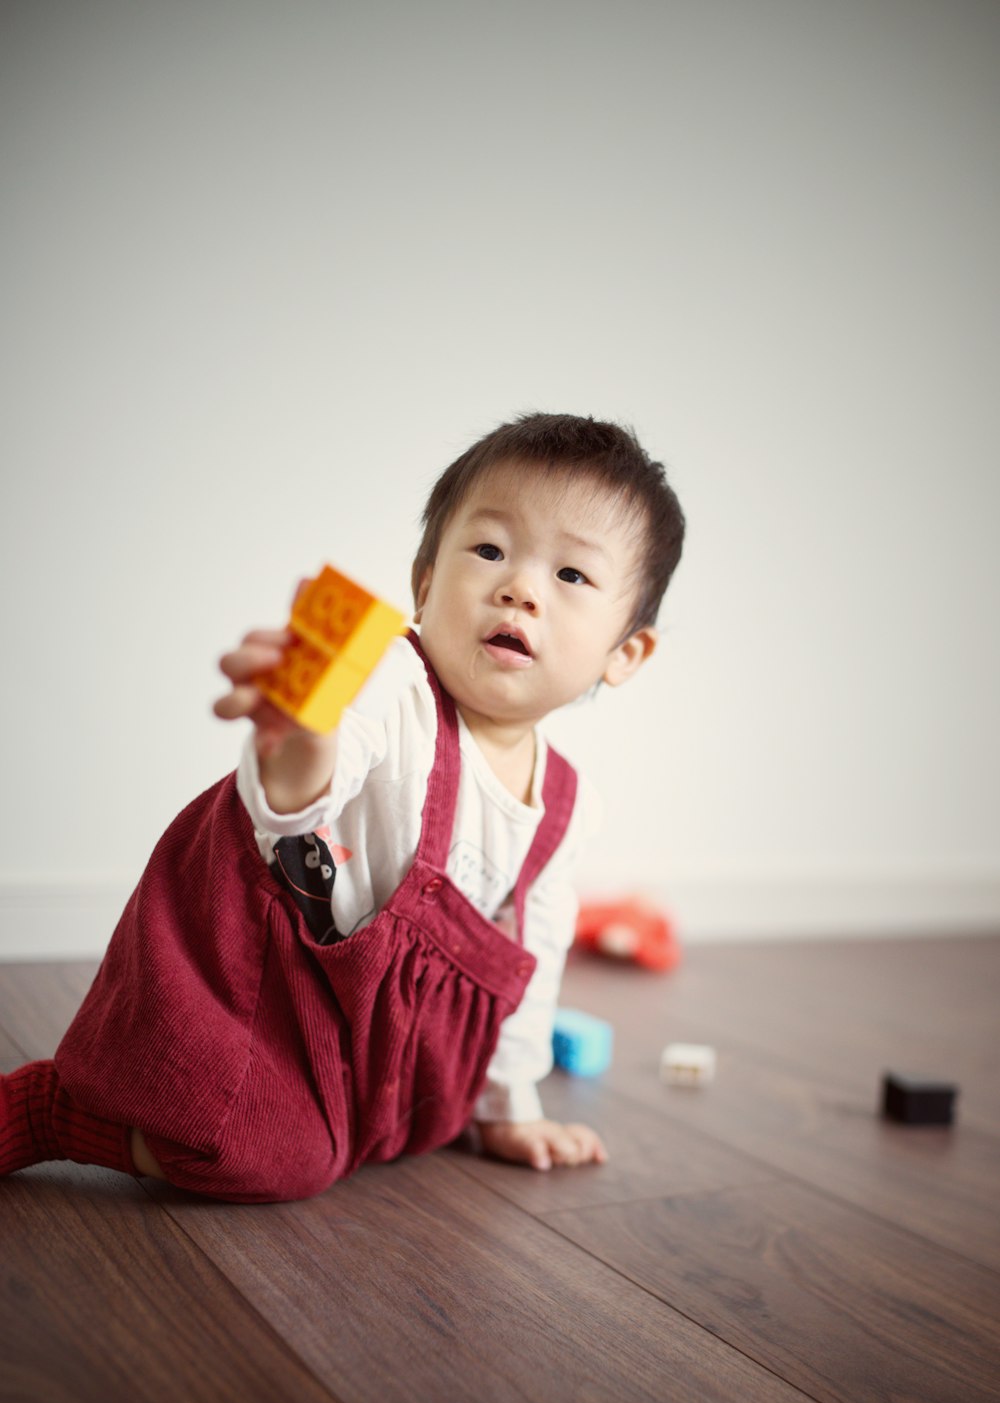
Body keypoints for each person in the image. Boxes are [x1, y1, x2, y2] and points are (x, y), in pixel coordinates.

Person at [0, 412, 685, 1202]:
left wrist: (508, 1104)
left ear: (624, 652)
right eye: (489, 550)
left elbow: (531, 966)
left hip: (365, 1017)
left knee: (414, 1125)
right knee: (254, 1149)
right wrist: (301, 735)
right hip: (261, 957)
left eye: (571, 577)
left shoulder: (566, 807)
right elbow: (296, 802)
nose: (519, 587)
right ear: (426, 583)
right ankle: (55, 1110)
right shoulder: (393, 682)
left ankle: (365, 1111)